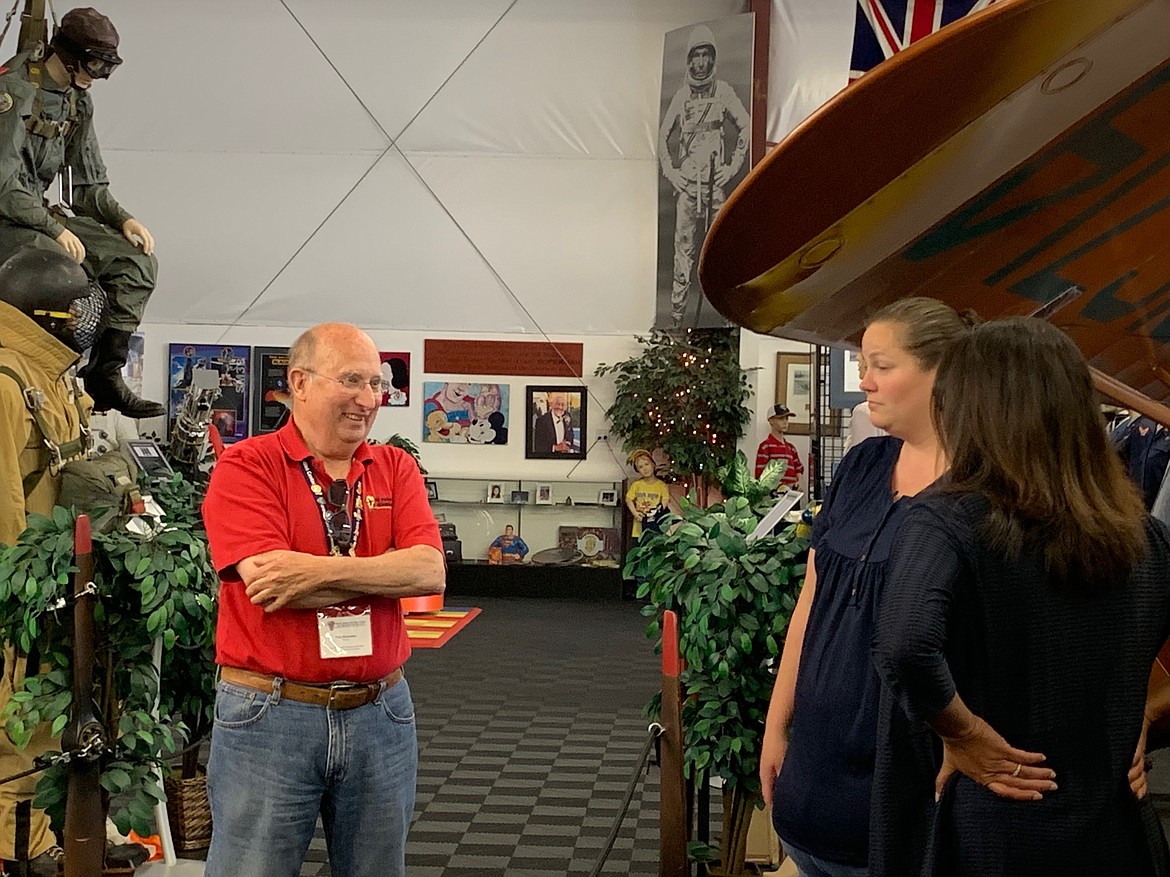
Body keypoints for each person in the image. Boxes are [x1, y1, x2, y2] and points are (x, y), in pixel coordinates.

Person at [870, 318, 1170, 875]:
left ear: (969, 410)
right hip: (1121, 835)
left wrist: (962, 732)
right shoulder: (1144, 535)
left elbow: (905, 645)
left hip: (1001, 829)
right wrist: (1144, 718)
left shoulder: (948, 519)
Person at [200, 322, 445, 877]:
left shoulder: (395, 467)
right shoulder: (247, 466)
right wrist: (384, 572)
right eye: (352, 380)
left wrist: (309, 571)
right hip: (270, 714)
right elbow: (267, 582)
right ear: (300, 382)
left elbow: (429, 571)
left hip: (381, 712)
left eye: (376, 383)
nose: (369, 399)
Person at [759, 298, 972, 877]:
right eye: (861, 364)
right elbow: (811, 604)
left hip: (905, 778)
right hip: (816, 764)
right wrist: (777, 726)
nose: (864, 380)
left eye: (881, 365)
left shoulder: (980, 493)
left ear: (941, 371)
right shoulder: (862, 465)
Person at [0, 7, 163, 418]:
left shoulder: (76, 103)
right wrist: (51, 229)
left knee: (135, 263)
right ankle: (41, 368)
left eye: (107, 66)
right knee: (59, 271)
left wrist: (122, 219)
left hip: (37, 214)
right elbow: (2, 186)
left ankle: (104, 375)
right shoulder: (14, 92)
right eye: (94, 63)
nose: (98, 75)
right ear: (69, 54)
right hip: (8, 216)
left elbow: (86, 186)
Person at [0, 248, 94, 877]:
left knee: (51, 715)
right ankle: (17, 848)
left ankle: (52, 835)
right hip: (20, 590)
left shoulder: (49, 375)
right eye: (80, 307)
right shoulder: (7, 383)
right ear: (46, 314)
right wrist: (16, 599)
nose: (89, 320)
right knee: (16, 723)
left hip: (57, 579)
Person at [658, 24, 749, 326]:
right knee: (682, 252)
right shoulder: (682, 97)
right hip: (687, 185)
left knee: (720, 252)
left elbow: (745, 126)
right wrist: (672, 173)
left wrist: (732, 167)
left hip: (713, 184)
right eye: (695, 56)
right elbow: (663, 137)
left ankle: (726, 319)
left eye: (705, 55)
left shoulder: (723, 92)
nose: (700, 63)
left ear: (713, 59)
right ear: (689, 60)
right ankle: (677, 319)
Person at [625, 448, 674, 538]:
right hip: (639, 528)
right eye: (640, 467)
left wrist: (658, 511)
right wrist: (635, 513)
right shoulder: (637, 485)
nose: (645, 468)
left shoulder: (661, 485)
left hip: (656, 525)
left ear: (653, 464)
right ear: (638, 471)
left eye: (646, 464)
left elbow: (665, 500)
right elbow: (628, 499)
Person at [754, 403, 804, 488]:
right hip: (774, 496)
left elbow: (798, 468)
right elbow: (760, 474)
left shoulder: (791, 448)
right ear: (771, 421)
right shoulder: (765, 446)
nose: (785, 422)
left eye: (787, 419)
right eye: (781, 419)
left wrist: (800, 483)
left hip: (792, 495)